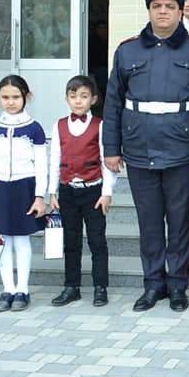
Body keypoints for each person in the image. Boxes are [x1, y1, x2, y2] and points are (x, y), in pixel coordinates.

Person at [103, 0, 189, 313]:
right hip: (140, 149)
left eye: (170, 5)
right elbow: (113, 103)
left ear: (181, 9)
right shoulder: (127, 51)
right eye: (157, 6)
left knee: (180, 221)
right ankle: (153, 284)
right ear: (149, 10)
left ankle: (178, 285)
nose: (164, 11)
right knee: (150, 222)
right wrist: (111, 149)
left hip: (182, 151)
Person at [0, 74, 48, 312]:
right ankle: (7, 289)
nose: (11, 102)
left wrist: (40, 195)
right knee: (3, 240)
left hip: (23, 188)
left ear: (27, 97)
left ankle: (23, 290)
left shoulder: (34, 128)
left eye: (16, 97)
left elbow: (41, 165)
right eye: (5, 97)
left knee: (21, 240)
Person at [48, 75, 116, 308]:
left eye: (84, 96)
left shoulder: (100, 125)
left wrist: (106, 192)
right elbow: (54, 158)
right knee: (71, 240)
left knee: (97, 241)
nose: (78, 101)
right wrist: (52, 191)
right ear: (67, 99)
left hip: (93, 191)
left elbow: (106, 161)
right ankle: (71, 286)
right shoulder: (58, 126)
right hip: (67, 191)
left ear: (93, 99)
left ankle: (100, 287)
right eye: (73, 96)